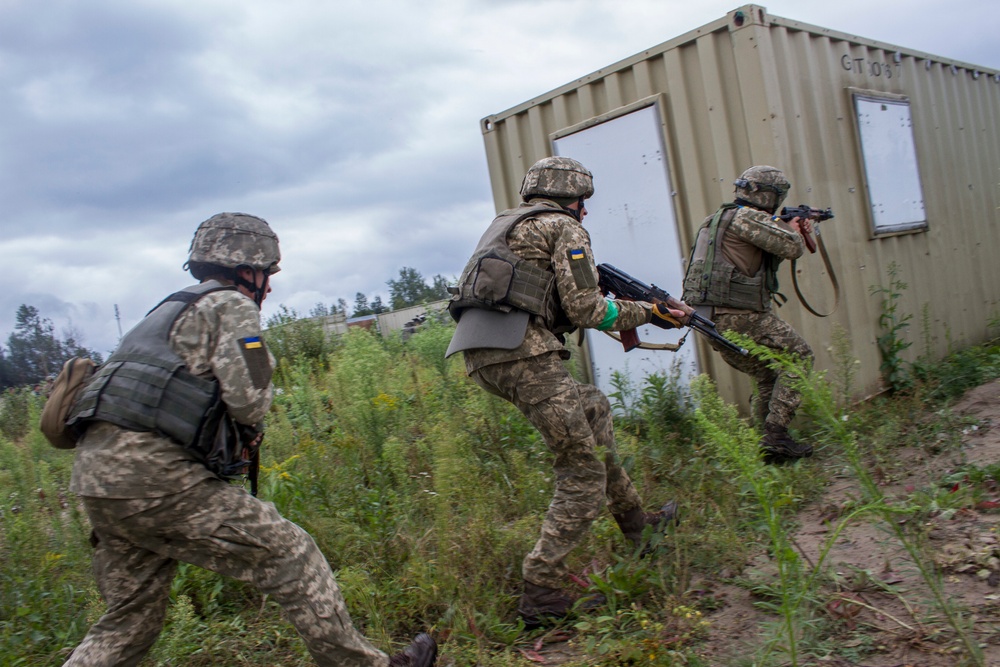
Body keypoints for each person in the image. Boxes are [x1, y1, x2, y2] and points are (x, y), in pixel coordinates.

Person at [63, 213, 436, 667]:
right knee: (292, 554)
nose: (269, 287)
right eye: (266, 275)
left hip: (96, 482)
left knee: (129, 618)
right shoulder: (231, 305)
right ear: (247, 270)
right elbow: (249, 402)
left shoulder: (162, 313)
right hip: (156, 480)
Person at [445, 157, 688, 628]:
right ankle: (541, 590)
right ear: (572, 200)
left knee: (593, 407)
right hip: (524, 355)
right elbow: (587, 310)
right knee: (581, 473)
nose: (585, 212)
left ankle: (639, 526)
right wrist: (650, 311)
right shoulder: (564, 228)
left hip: (484, 356)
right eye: (584, 203)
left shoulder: (507, 225)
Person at [680, 165, 815, 462]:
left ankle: (765, 447)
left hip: (707, 320)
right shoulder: (748, 218)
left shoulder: (713, 221)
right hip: (737, 315)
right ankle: (776, 435)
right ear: (769, 195)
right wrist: (793, 230)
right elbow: (791, 247)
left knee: (767, 374)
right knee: (801, 357)